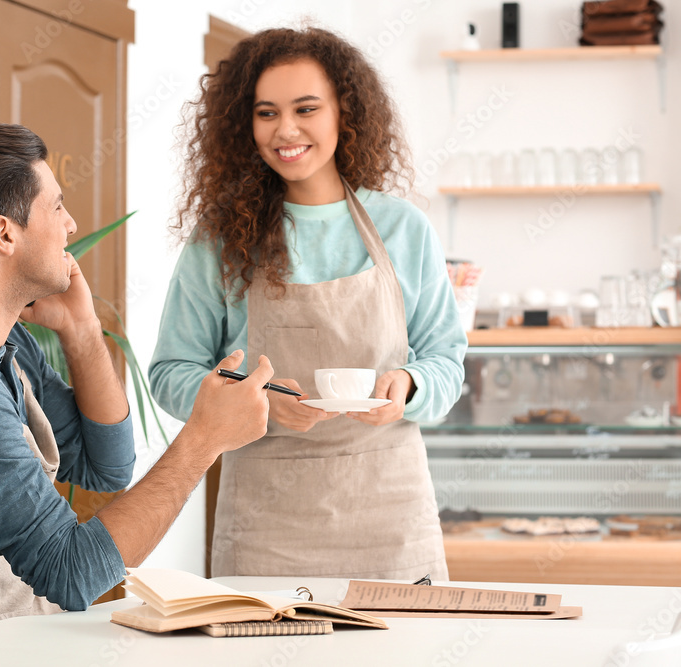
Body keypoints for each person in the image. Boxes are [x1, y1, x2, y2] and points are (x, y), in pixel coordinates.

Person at [0, 122, 274, 649]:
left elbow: (106, 466)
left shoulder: (3, 344)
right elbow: (72, 574)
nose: (71, 224)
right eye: (56, 207)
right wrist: (203, 440)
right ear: (4, 233)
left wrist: (82, 331)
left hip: (11, 637)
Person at [149, 27, 467, 580]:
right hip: (267, 529)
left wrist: (410, 386)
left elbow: (446, 359)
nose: (286, 130)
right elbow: (170, 373)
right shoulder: (221, 239)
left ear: (345, 112)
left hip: (390, 520)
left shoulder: (403, 228)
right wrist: (259, 404)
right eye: (266, 112)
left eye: (306, 108)